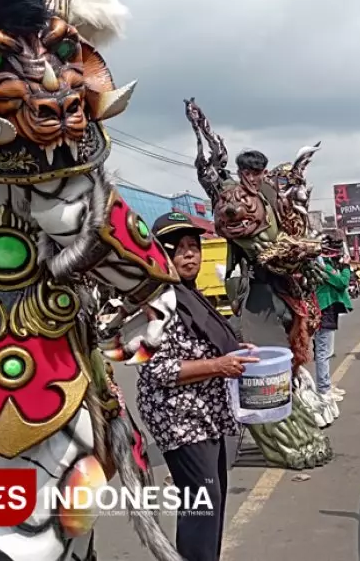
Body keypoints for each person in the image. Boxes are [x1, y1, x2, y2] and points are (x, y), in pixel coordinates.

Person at [140, 211, 257, 561]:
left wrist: (237, 351)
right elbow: (159, 369)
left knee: (211, 497)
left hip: (206, 417)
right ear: (162, 255)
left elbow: (212, 339)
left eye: (194, 247)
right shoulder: (155, 301)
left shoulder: (192, 295)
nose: (190, 255)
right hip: (179, 419)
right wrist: (219, 365)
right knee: (202, 501)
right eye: (180, 249)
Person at [314, 233, 353, 402]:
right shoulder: (321, 264)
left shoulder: (326, 263)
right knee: (323, 352)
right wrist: (346, 268)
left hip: (328, 308)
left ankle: (327, 386)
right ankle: (323, 389)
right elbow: (341, 283)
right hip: (324, 309)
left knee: (327, 351)